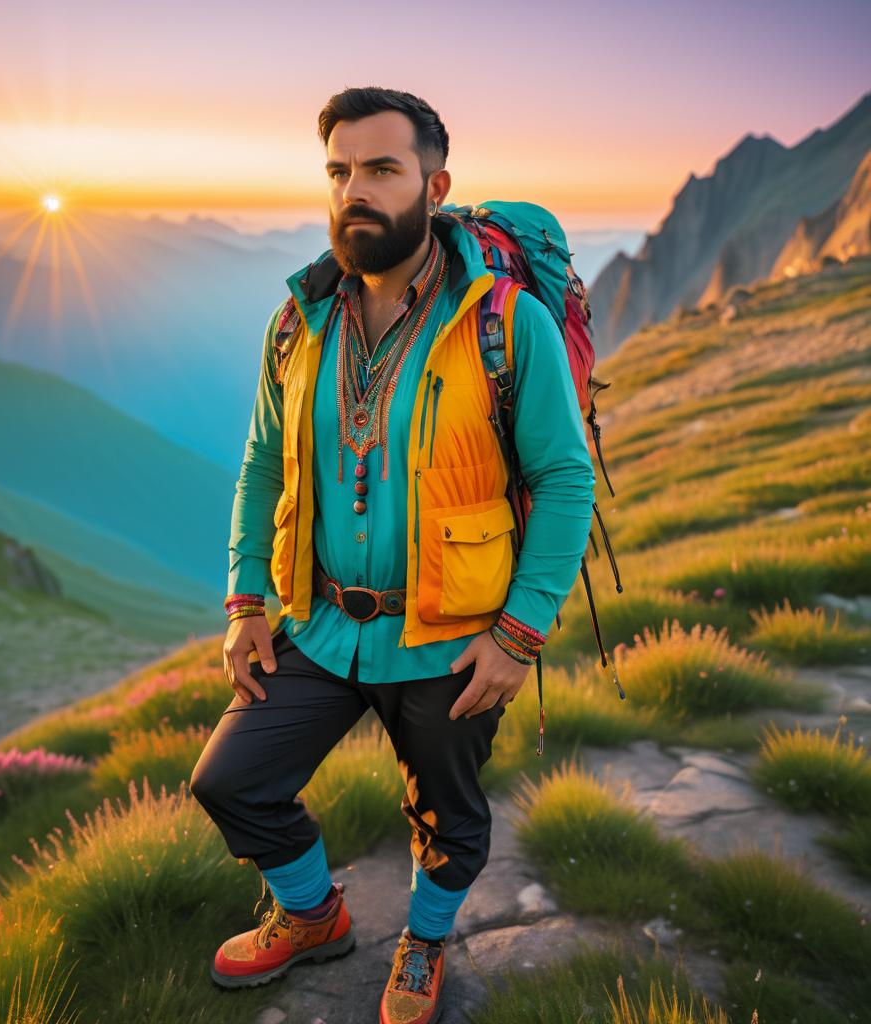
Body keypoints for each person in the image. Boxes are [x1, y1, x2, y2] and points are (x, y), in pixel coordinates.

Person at [190, 85, 596, 1024]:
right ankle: (312, 915)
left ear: (433, 182)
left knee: (446, 817)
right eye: (339, 171)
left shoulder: (503, 323)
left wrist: (520, 632)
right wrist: (247, 603)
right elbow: (261, 464)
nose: (354, 191)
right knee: (231, 781)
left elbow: (564, 481)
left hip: (456, 633)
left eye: (380, 169)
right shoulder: (298, 319)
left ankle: (424, 943)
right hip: (323, 622)